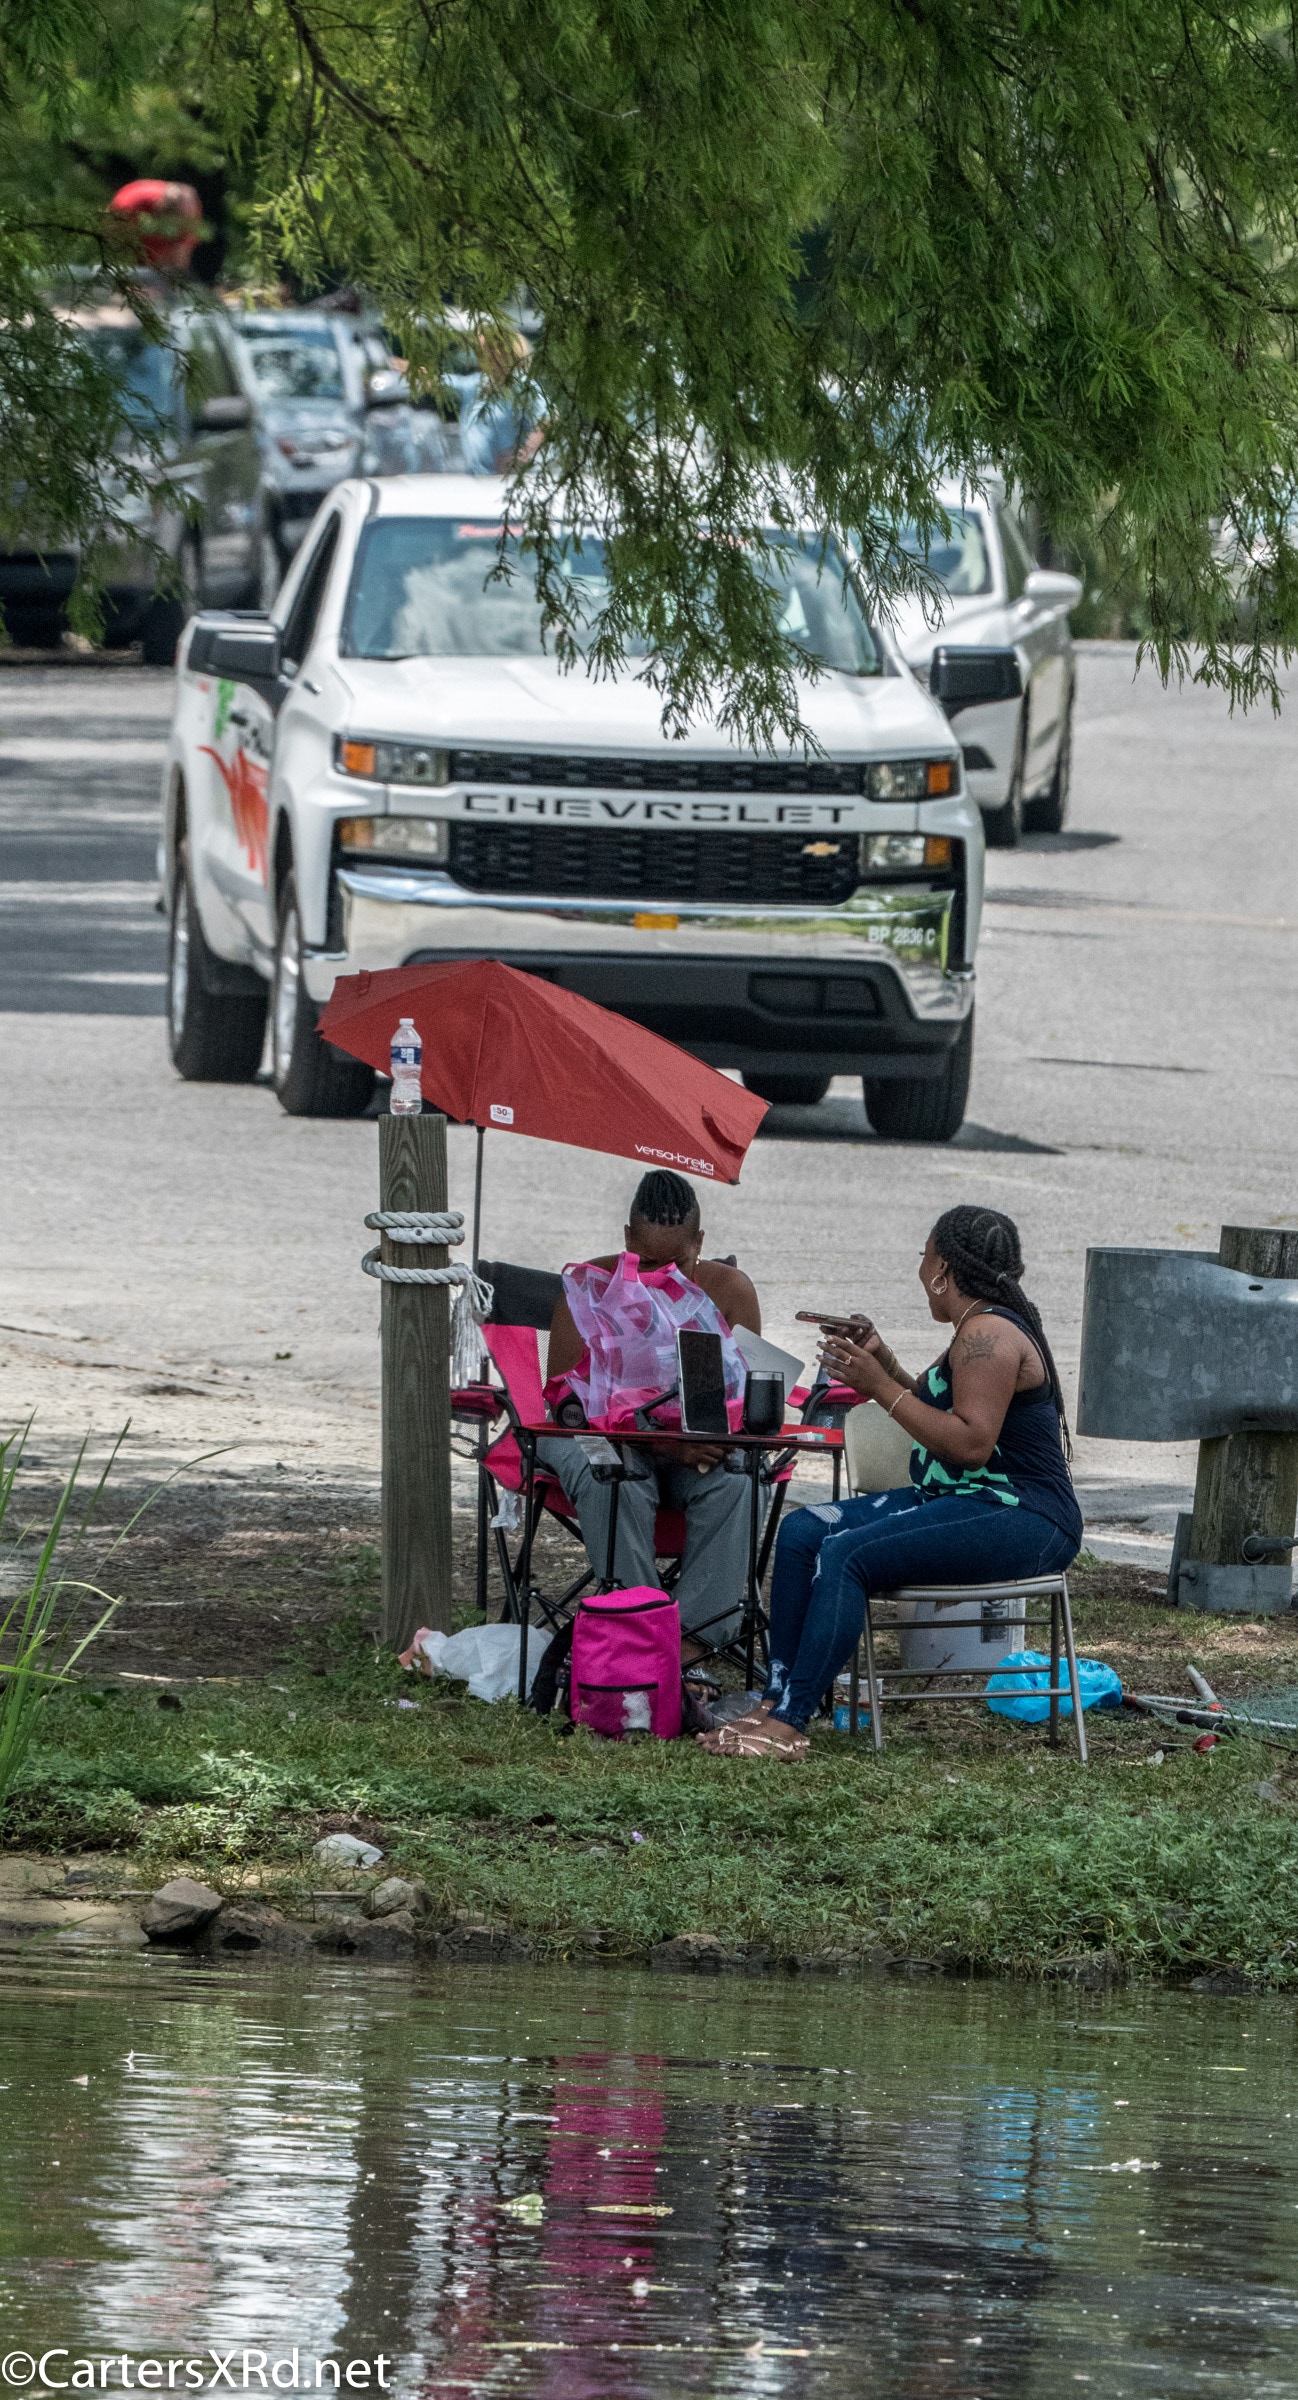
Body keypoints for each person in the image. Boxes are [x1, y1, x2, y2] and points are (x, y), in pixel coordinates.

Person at [700, 1204, 1083, 1758]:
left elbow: (970, 1443)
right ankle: (775, 1698)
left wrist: (878, 1385)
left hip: (1023, 1516)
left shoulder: (989, 1334)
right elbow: (936, 1406)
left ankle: (790, 1722)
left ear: (942, 1269)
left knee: (848, 1553)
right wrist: (884, 1362)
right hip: (967, 1501)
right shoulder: (978, 1326)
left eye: (925, 1255)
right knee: (803, 1531)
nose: (921, 1268)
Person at [541, 1170, 761, 1654]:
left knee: (740, 1477)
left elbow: (744, 1397)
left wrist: (703, 1436)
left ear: (700, 1243)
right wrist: (657, 1443)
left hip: (691, 1442)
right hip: (598, 1435)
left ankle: (692, 1643)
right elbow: (566, 1406)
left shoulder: (729, 1291)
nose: (659, 1276)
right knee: (610, 1472)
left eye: (677, 1264)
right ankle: (637, 1630)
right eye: (646, 1262)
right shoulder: (590, 1286)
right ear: (627, 1240)